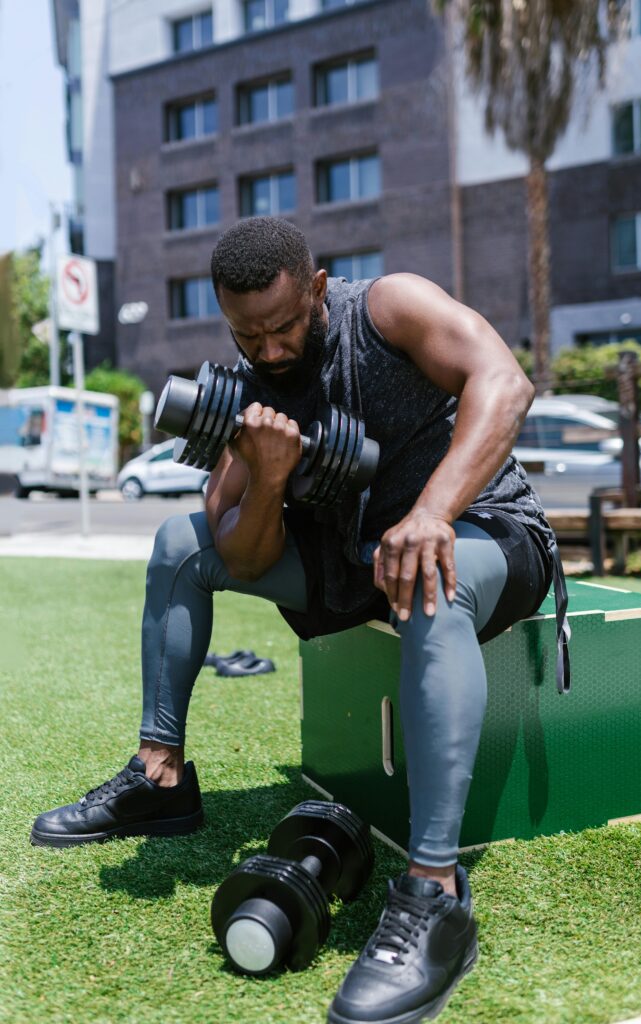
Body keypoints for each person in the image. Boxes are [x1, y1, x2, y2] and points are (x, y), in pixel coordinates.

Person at [31, 217, 569, 1024]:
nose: (271, 350)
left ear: (316, 290)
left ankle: (433, 895)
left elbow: (505, 382)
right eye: (249, 335)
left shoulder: (387, 309)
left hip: (482, 532)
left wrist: (431, 514)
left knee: (430, 576)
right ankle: (161, 777)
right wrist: (270, 476)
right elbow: (240, 557)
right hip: (350, 561)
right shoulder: (242, 392)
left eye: (283, 327)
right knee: (181, 544)